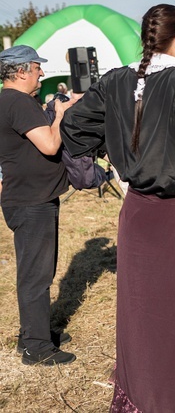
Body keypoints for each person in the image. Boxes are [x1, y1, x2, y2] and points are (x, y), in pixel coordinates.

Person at [61, 3, 175, 411]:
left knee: (143, 315)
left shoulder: (114, 81)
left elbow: (74, 128)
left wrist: (118, 153)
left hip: (138, 213)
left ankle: (142, 399)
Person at [0, 45, 75, 365]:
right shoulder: (19, 102)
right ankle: (36, 347)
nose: (42, 73)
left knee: (36, 272)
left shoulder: (6, 101)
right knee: (36, 275)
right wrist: (59, 116)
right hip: (32, 202)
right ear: (21, 72)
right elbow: (49, 144)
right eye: (37, 67)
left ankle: (36, 330)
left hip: (25, 197)